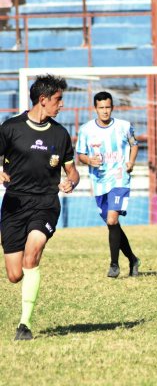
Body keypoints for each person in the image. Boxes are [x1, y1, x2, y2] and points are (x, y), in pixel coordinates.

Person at [0, 74, 80, 340]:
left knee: (33, 253)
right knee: (14, 275)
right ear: (42, 100)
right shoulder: (11, 128)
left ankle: (25, 324)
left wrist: (72, 181)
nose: (62, 105)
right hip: (14, 204)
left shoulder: (60, 133)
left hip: (45, 204)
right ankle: (25, 291)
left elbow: (72, 169)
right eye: (58, 99)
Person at [76, 91, 141, 279]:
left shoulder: (124, 126)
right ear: (95, 108)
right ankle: (133, 259)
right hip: (99, 181)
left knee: (112, 220)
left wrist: (131, 161)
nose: (105, 111)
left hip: (120, 178)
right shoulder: (86, 130)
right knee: (113, 225)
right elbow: (80, 154)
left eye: (108, 107)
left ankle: (114, 265)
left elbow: (134, 144)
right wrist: (89, 160)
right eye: (101, 108)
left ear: (112, 107)